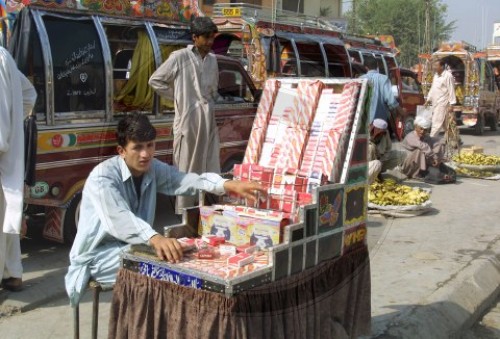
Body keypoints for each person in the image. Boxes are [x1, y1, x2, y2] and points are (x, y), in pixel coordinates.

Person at [65, 113, 264, 306]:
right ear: (121, 151)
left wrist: (226, 185)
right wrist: (155, 238)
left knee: (178, 256)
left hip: (133, 247)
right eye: (138, 148)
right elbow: (118, 218)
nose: (145, 154)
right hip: (97, 258)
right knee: (162, 265)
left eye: (150, 146)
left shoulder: (153, 168)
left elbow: (185, 180)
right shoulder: (103, 177)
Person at [149, 17, 220, 214]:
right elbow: (155, 81)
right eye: (206, 38)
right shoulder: (179, 57)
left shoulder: (213, 60)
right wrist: (178, 97)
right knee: (187, 165)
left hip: (208, 119)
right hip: (188, 121)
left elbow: (213, 89)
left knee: (209, 163)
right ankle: (185, 213)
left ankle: (206, 209)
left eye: (212, 38)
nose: (209, 42)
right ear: (194, 37)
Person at [0, 46, 37, 291]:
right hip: (6, 154)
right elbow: (28, 94)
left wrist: (7, 134)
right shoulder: (5, 56)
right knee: (6, 219)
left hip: (2, 153)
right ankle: (13, 273)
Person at [360, 56, 405, 123]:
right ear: (377, 66)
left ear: (366, 67)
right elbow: (391, 101)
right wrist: (401, 111)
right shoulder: (384, 78)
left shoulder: (360, 79)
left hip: (362, 122)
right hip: (379, 123)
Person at [425, 59, 457, 138]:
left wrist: (451, 104)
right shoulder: (435, 76)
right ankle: (455, 140)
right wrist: (428, 99)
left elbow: (451, 90)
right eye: (434, 65)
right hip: (435, 103)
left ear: (442, 67)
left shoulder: (448, 76)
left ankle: (431, 140)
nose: (434, 67)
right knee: (446, 124)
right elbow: (433, 89)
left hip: (442, 103)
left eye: (436, 65)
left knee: (436, 123)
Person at [368, 119, 405, 183]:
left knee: (402, 154)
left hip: (381, 160)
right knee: (372, 150)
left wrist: (382, 160)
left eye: (383, 131)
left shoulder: (385, 133)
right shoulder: (364, 134)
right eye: (379, 130)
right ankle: (368, 180)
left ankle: (378, 171)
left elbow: (388, 149)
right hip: (368, 165)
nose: (381, 133)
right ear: (374, 128)